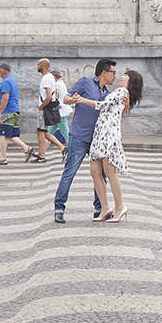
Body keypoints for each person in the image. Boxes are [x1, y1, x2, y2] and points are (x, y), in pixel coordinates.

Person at [53, 60, 112, 223]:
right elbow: (66, 98)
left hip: (97, 140)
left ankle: (100, 209)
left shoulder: (106, 92)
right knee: (69, 172)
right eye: (113, 72)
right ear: (104, 73)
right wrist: (75, 100)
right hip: (79, 136)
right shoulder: (85, 82)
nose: (115, 75)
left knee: (100, 175)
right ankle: (59, 208)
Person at [89, 67, 141, 223]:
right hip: (101, 133)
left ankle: (119, 207)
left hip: (107, 135)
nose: (120, 77)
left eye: (125, 76)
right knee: (95, 171)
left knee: (109, 171)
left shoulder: (121, 92)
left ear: (130, 81)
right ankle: (105, 207)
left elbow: (101, 106)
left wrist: (82, 100)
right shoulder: (121, 95)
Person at [26, 58, 67, 164]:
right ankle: (62, 148)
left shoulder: (46, 78)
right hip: (47, 108)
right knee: (44, 132)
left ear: (43, 66)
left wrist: (41, 107)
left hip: (45, 109)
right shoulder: (49, 77)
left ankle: (43, 156)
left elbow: (48, 96)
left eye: (38, 64)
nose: (37, 66)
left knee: (40, 132)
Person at [0, 62, 21, 164]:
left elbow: (5, 97)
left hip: (8, 111)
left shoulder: (6, 82)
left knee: (2, 134)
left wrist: (0, 112)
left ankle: (3, 158)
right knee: (10, 134)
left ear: (3, 70)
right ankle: (27, 148)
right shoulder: (12, 80)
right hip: (13, 110)